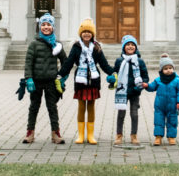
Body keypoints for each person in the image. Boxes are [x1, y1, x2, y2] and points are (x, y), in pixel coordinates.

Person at [58, 19, 115, 144]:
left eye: (89, 32)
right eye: (84, 32)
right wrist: (60, 74)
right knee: (81, 106)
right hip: (80, 80)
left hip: (93, 80)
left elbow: (103, 64)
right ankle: (80, 135)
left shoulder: (97, 47)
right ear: (80, 33)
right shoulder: (76, 47)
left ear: (93, 34)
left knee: (91, 106)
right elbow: (69, 63)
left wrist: (112, 72)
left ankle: (90, 135)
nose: (86, 34)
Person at [22, 13, 67, 144]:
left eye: (48, 25)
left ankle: (56, 134)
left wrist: (62, 77)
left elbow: (65, 61)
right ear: (39, 27)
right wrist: (28, 78)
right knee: (34, 107)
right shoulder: (34, 44)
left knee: (52, 107)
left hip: (51, 82)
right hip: (35, 82)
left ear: (53, 27)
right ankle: (30, 133)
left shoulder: (57, 45)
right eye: (43, 25)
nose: (46, 27)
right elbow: (28, 63)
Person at [111, 34, 148, 145]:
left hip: (135, 92)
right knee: (121, 114)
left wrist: (141, 85)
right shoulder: (119, 61)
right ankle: (119, 135)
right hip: (122, 92)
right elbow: (115, 74)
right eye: (128, 45)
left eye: (133, 45)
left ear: (136, 47)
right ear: (123, 47)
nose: (130, 47)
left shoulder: (139, 61)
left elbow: (145, 76)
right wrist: (112, 79)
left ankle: (134, 135)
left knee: (134, 114)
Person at [146, 54, 179, 146]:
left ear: (173, 68)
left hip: (172, 106)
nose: (168, 70)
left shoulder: (178, 81)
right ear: (161, 70)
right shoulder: (158, 80)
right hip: (160, 105)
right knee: (158, 121)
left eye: (170, 68)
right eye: (165, 68)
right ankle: (158, 137)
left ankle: (171, 137)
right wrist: (147, 86)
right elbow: (152, 87)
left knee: (172, 121)